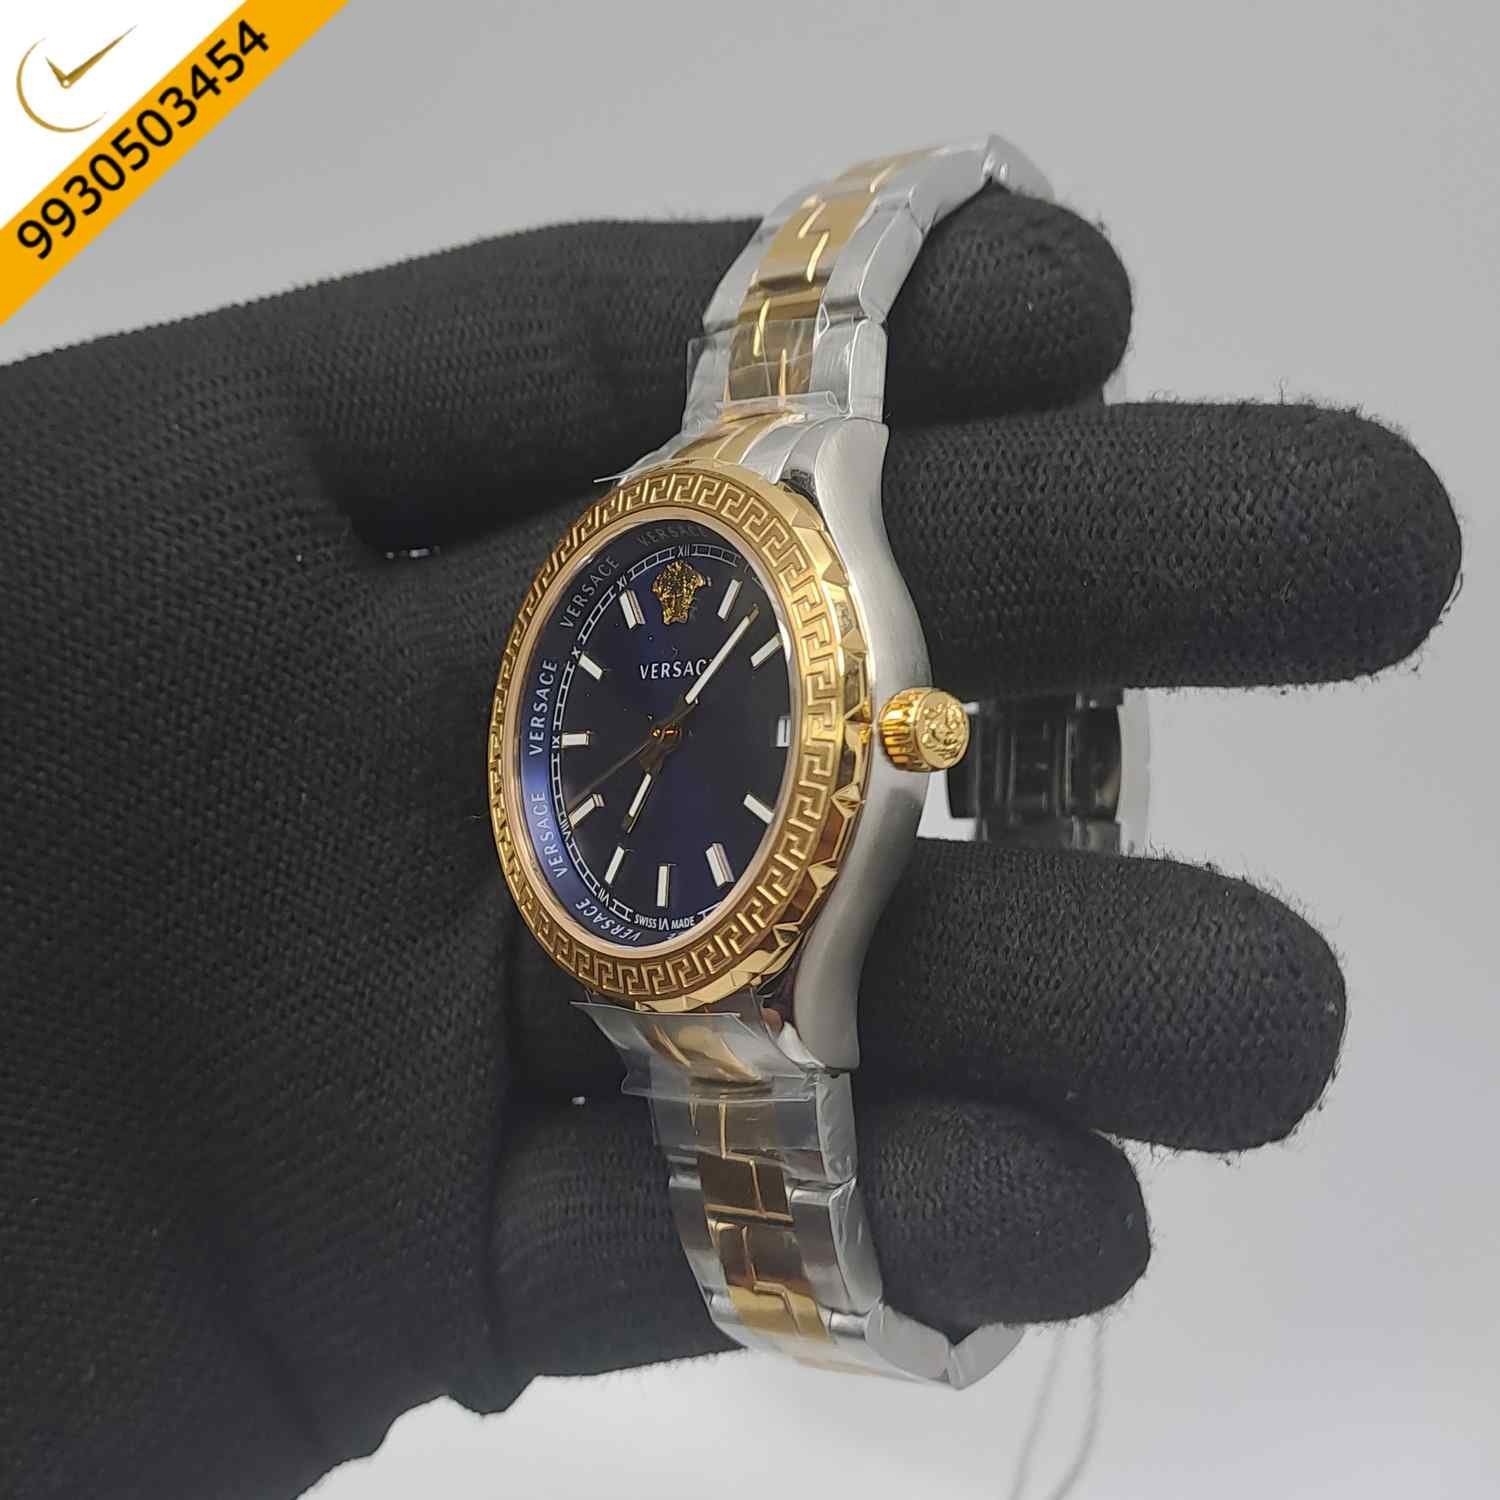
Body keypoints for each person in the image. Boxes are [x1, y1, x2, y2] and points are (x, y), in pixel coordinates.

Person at [0, 188, 1460, 1499]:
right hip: (644, 904)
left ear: (916, 735)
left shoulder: (876, 709)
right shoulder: (617, 653)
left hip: (718, 886)